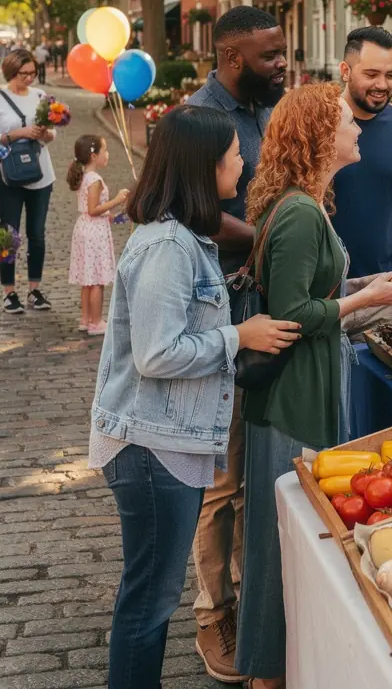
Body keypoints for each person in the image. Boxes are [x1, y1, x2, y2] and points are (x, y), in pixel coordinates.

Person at [88, 105, 301, 689]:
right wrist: (240, 336)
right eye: (234, 153)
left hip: (165, 442)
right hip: (150, 446)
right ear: (204, 167)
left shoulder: (185, 239)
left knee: (151, 591)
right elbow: (158, 354)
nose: (243, 162)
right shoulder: (167, 248)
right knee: (150, 599)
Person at [236, 84, 392, 689]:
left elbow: (315, 293)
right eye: (345, 122)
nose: (358, 129)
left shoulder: (308, 204)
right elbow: (289, 315)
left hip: (310, 379)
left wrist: (365, 287)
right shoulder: (298, 212)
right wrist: (364, 299)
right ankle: (267, 670)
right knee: (278, 536)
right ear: (318, 137)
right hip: (293, 392)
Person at [184, 5, 287, 683]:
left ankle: (255, 607)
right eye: (269, 55)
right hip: (216, 312)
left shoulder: (270, 109)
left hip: (270, 306)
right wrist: (269, 239)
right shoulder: (198, 119)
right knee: (220, 478)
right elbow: (193, 209)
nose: (282, 63)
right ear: (231, 60)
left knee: (263, 467)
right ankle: (212, 614)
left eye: (281, 52)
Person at [332, 26, 392, 305]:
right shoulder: (318, 124)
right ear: (345, 70)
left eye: (390, 75)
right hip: (321, 293)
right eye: (371, 74)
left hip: (384, 286)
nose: (382, 85)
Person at [0, 48, 56, 314]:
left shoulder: (41, 97)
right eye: (24, 73)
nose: (30, 78)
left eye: (33, 73)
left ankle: (34, 288)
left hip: (40, 173)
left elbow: (53, 133)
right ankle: (9, 292)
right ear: (12, 71)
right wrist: (17, 133)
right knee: (9, 234)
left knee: (37, 234)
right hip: (7, 176)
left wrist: (44, 134)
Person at [67, 134, 129, 335]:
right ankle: (96, 321)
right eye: (105, 150)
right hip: (94, 232)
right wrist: (117, 200)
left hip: (86, 227)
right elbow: (94, 209)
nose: (108, 154)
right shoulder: (95, 180)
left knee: (88, 279)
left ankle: (85, 319)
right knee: (97, 280)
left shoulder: (85, 176)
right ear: (94, 156)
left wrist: (109, 214)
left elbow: (90, 208)